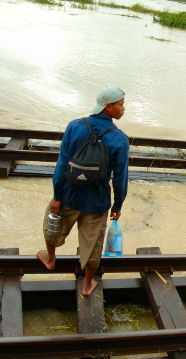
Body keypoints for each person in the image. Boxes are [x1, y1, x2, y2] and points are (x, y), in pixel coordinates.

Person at [38, 86, 129, 296]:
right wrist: (117, 205)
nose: (124, 109)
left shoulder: (75, 126)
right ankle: (87, 285)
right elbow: (120, 178)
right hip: (97, 203)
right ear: (109, 107)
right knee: (93, 244)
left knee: (52, 224)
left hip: (70, 194)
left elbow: (62, 165)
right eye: (121, 104)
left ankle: (51, 259)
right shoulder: (119, 139)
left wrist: (57, 197)